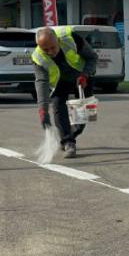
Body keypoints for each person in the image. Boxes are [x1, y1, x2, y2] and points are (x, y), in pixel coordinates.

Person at [32, 26, 98, 158]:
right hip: (60, 82)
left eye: (53, 47)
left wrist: (85, 75)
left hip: (82, 77)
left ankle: (70, 135)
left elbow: (92, 57)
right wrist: (42, 110)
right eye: (46, 50)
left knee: (85, 114)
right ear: (39, 46)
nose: (51, 52)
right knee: (57, 107)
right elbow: (42, 84)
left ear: (57, 40)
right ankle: (68, 142)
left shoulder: (70, 38)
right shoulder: (38, 57)